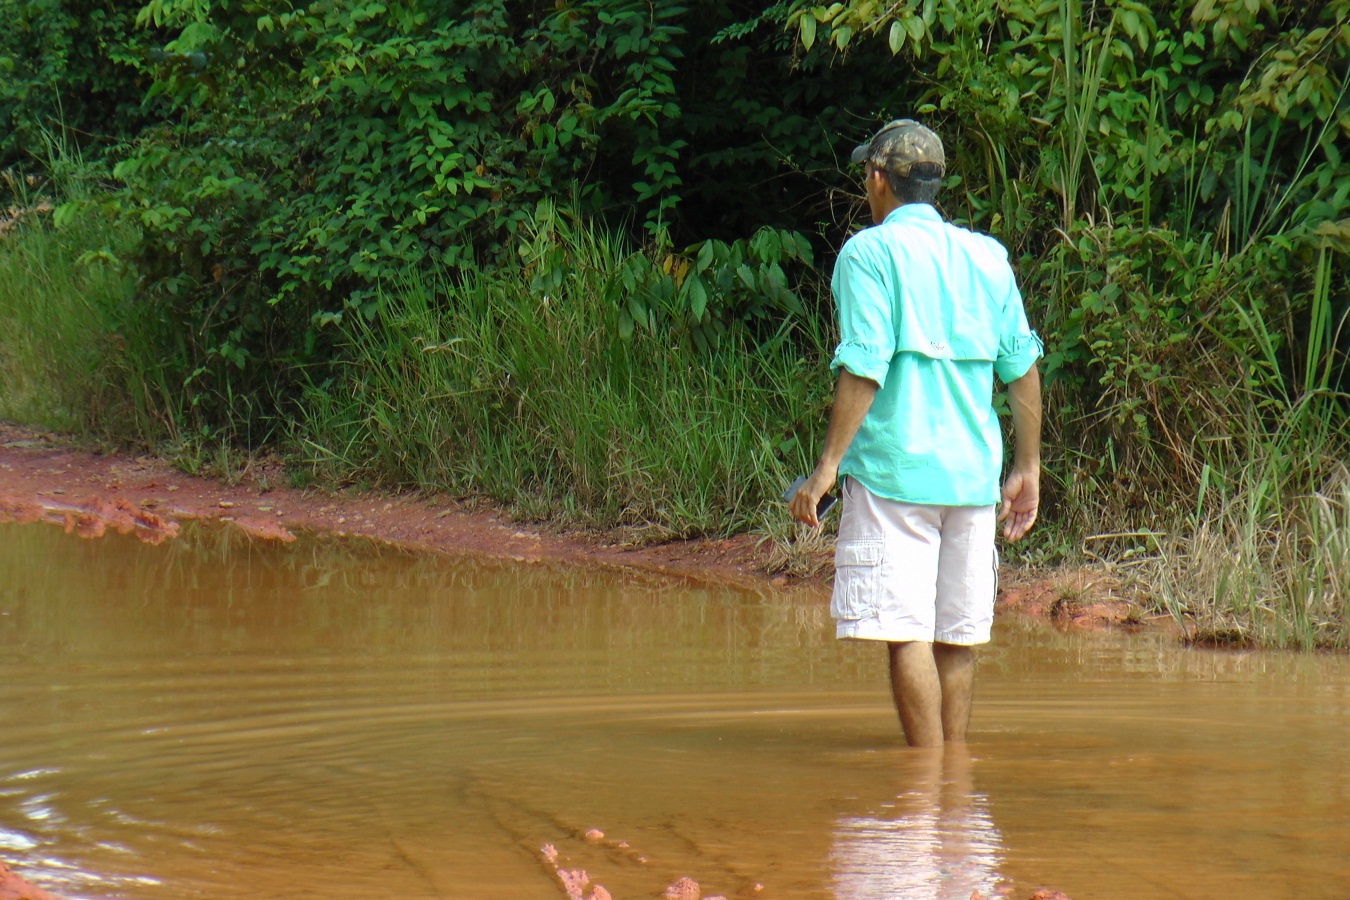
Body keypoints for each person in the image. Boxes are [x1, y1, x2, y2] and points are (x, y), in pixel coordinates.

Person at [789, 118, 1042, 748]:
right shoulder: (988, 257)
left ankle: (925, 785)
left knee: (906, 632)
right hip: (973, 476)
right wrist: (1028, 467)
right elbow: (1022, 367)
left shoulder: (868, 253)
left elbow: (865, 363)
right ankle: (953, 780)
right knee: (956, 636)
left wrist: (826, 468)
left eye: (865, 175)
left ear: (878, 179)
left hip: (895, 475)